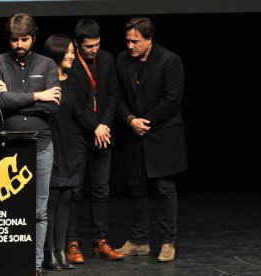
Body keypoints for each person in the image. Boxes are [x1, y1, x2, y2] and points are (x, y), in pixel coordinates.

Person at [0, 13, 61, 276]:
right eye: (15, 39)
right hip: (6, 145)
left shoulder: (48, 64)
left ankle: (35, 264)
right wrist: (38, 95)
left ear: (34, 38)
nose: (19, 44)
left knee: (38, 210)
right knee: (5, 206)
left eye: (24, 39)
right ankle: (8, 261)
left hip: (40, 145)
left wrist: (13, 96)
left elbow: (53, 106)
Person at [115, 17, 188, 262]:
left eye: (135, 41)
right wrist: (130, 120)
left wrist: (145, 122)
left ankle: (167, 242)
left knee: (164, 188)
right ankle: (139, 240)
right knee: (137, 188)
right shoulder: (122, 60)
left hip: (162, 133)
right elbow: (118, 96)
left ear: (149, 39)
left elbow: (172, 99)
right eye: (127, 41)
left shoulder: (169, 60)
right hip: (134, 133)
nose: (130, 46)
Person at [66, 18, 124, 262]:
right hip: (79, 133)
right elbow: (75, 105)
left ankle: (100, 241)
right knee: (75, 191)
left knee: (101, 190)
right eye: (89, 46)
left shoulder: (107, 59)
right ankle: (71, 242)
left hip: (103, 133)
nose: (94, 50)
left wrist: (105, 126)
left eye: (97, 44)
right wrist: (94, 126)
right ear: (78, 44)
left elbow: (113, 95)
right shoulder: (69, 63)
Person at [42, 34, 80, 271]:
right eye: (68, 51)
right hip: (50, 144)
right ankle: (48, 252)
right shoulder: (44, 81)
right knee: (51, 200)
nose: (72, 56)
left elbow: (79, 112)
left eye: (73, 52)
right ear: (56, 52)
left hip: (69, 145)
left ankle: (60, 249)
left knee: (66, 197)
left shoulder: (72, 81)